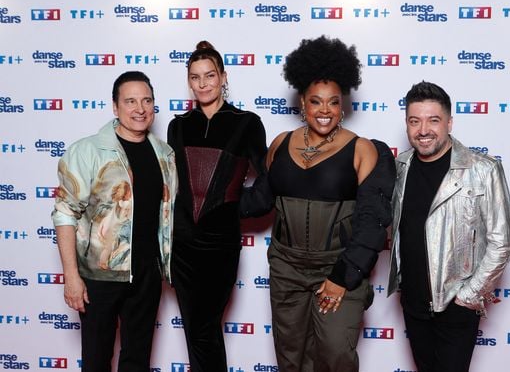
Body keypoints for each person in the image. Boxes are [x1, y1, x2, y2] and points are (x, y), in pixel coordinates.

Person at [266, 36, 396, 372]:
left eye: (333, 102)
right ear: (303, 104)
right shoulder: (280, 144)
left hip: (336, 267)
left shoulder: (364, 149)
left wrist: (343, 276)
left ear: (342, 106)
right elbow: (259, 198)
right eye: (316, 101)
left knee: (335, 354)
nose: (324, 110)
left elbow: (372, 222)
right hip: (287, 269)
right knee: (291, 358)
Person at [51, 71, 178, 372]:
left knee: (137, 359)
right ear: (115, 106)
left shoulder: (164, 153)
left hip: (146, 273)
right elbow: (65, 213)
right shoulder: (88, 150)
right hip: (99, 276)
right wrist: (71, 275)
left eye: (147, 100)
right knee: (96, 360)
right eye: (130, 101)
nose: (140, 108)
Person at [387, 81, 510, 372]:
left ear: (449, 122)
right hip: (413, 303)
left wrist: (469, 296)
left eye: (433, 120)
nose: (423, 130)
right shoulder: (399, 167)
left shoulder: (483, 169)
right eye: (414, 121)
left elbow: (502, 241)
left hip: (455, 305)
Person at [167, 40, 270, 371]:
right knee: (195, 328)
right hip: (182, 244)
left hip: (220, 244)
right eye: (195, 77)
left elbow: (268, 181)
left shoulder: (247, 123)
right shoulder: (177, 126)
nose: (202, 84)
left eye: (209, 75)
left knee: (206, 326)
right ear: (188, 82)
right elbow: (173, 185)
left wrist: (234, 207)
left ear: (223, 77)